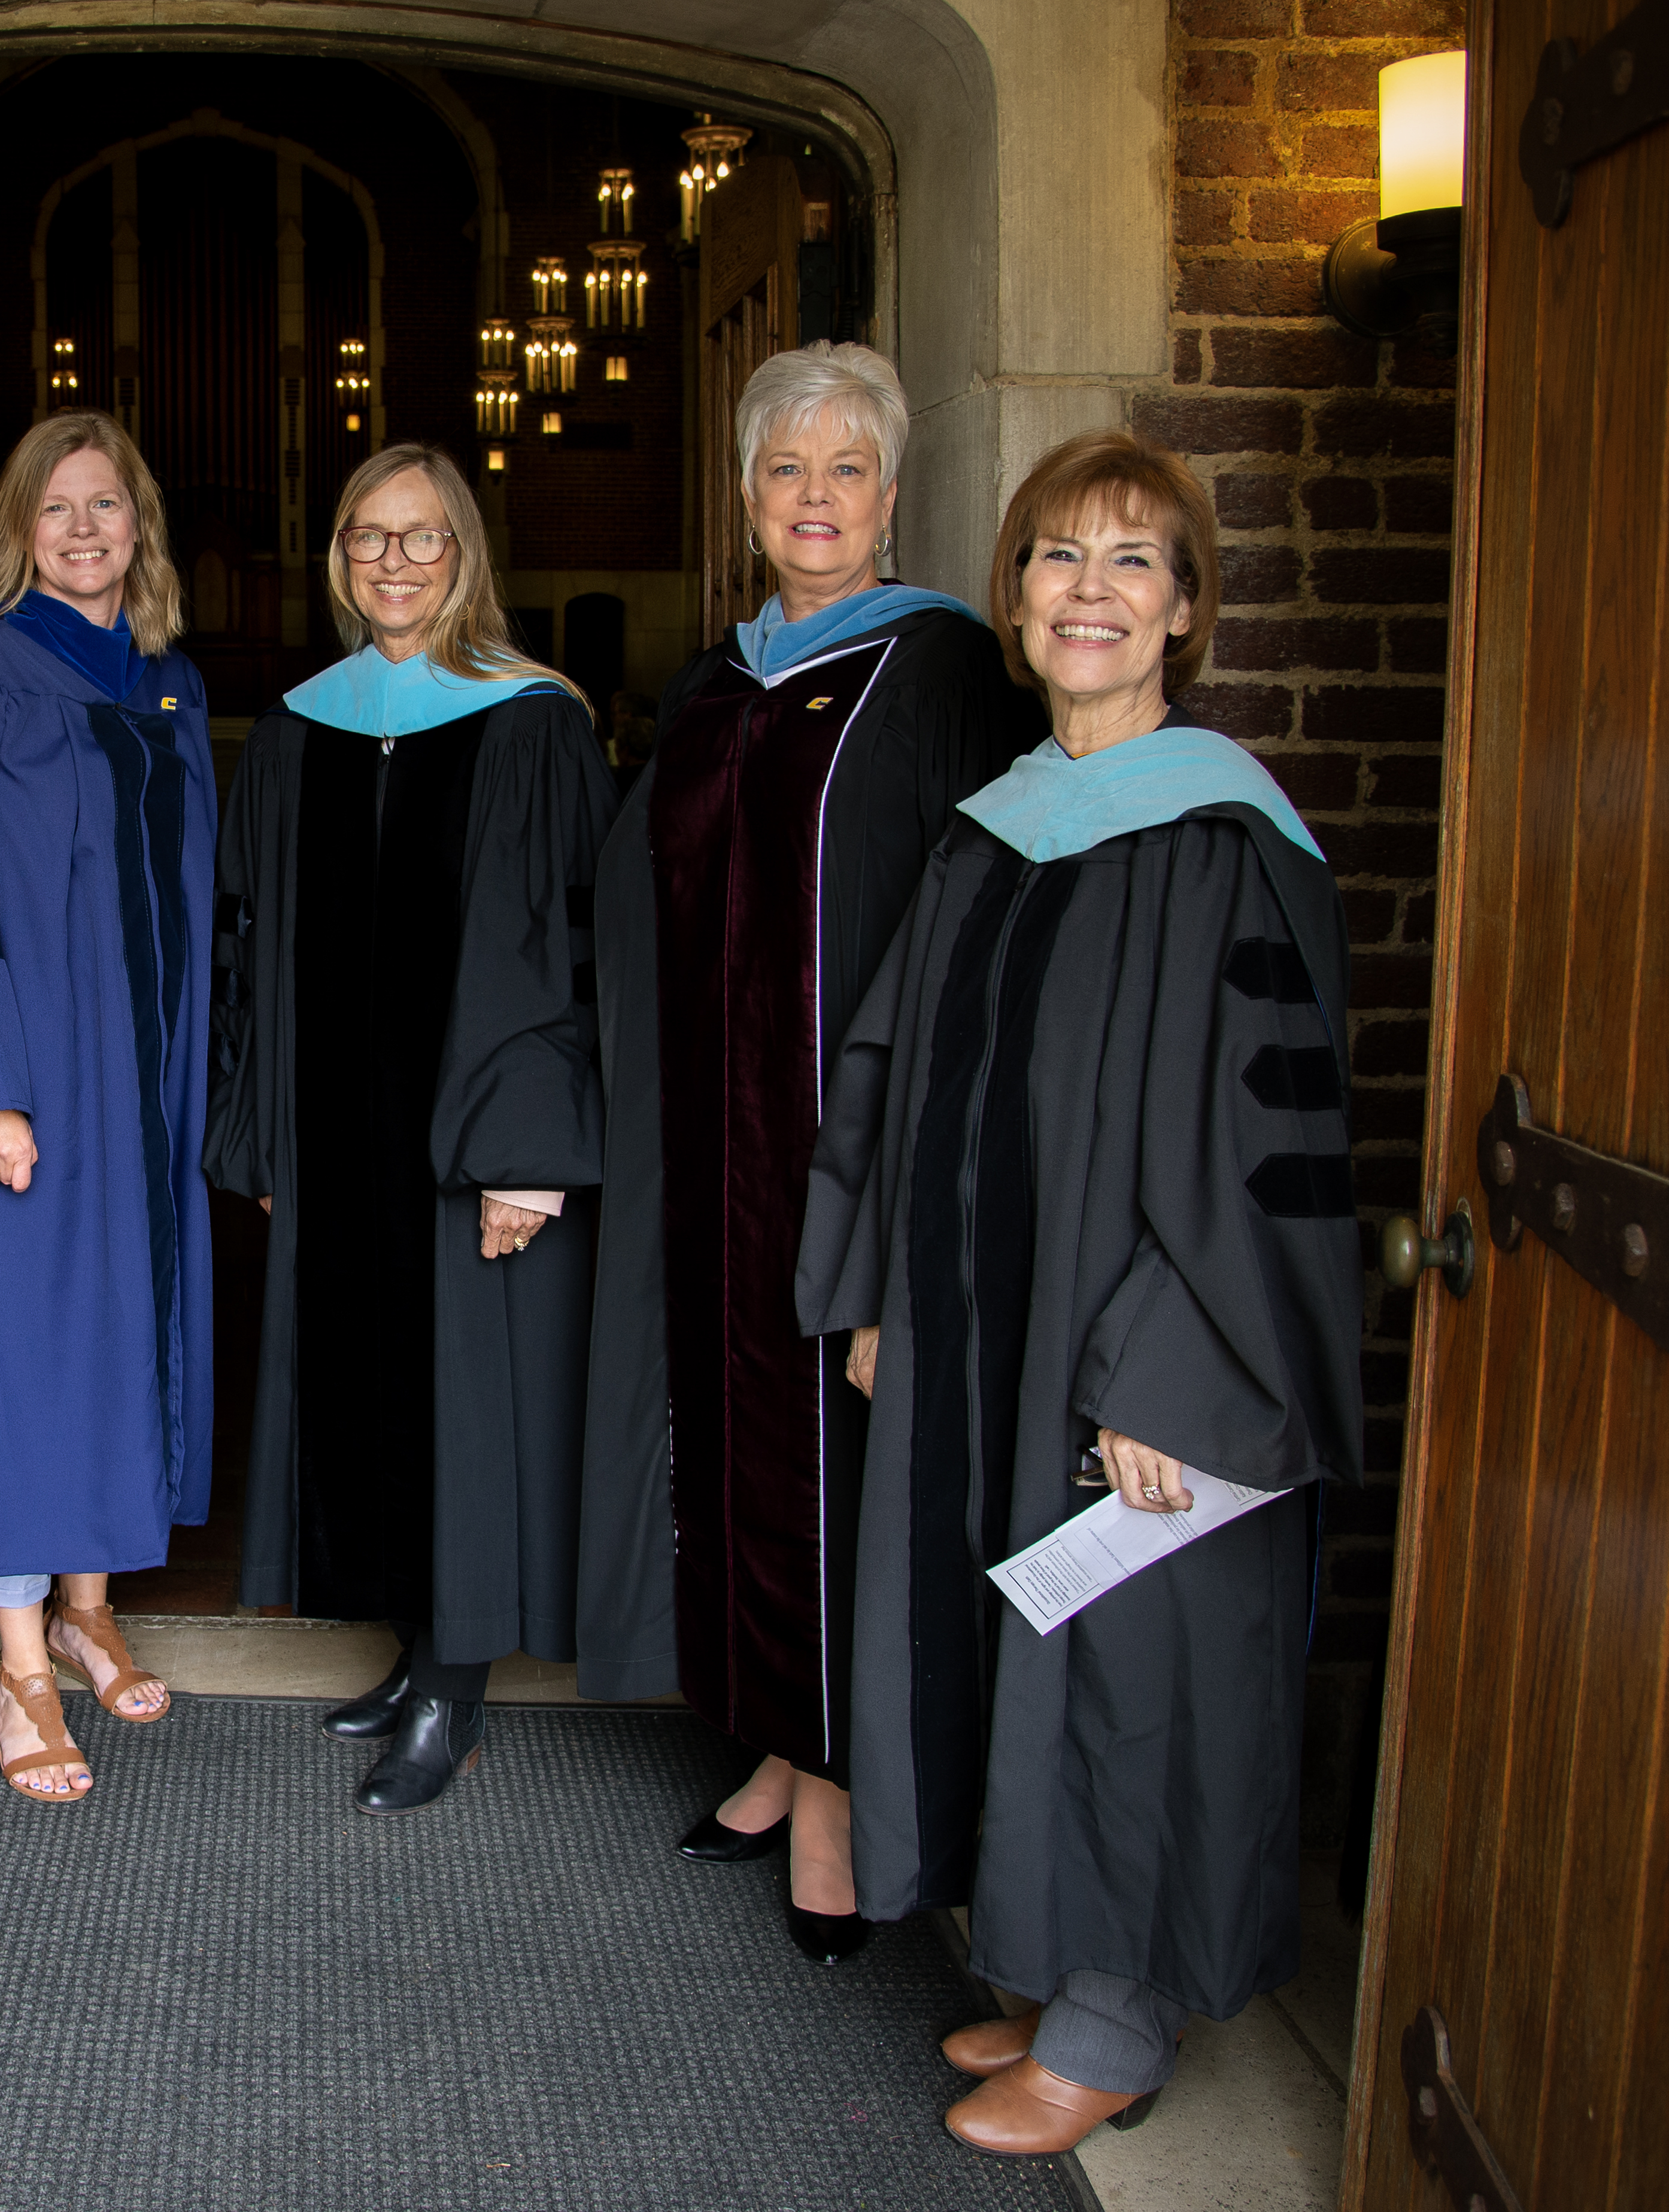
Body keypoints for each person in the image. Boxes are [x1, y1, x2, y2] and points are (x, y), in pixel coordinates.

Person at [796, 429, 1360, 2152]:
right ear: (1015, 598)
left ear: (1185, 610)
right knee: (1004, 1646)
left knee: (1131, 1665)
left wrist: (1174, 1377)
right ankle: (1045, 1973)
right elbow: (894, 1079)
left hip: (1132, 1360)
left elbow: (1270, 1149)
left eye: (1132, 564)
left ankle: (1114, 2025)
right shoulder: (998, 830)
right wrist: (882, 1288)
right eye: (1057, 558)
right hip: (984, 1332)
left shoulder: (1222, 838)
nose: (1089, 594)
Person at [583, 342, 1040, 1959]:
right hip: (713, 1144)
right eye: (784, 469)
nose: (813, 498)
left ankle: (844, 1783)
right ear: (746, 495)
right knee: (727, 1437)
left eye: (845, 470)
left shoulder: (942, 675)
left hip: (855, 1142)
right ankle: (774, 1738)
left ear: (893, 496)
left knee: (837, 1456)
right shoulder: (720, 681)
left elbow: (976, 935)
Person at [207, 444, 615, 1813]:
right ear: (337, 557)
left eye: (422, 539)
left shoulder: (531, 722)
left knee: (463, 1393)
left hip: (467, 1134)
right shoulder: (298, 729)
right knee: (369, 1383)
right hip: (340, 1126)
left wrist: (530, 1148)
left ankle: (456, 1679)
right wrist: (263, 1129)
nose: (393, 562)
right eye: (367, 538)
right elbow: (252, 944)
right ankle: (407, 1641)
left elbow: (564, 946)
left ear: (464, 556)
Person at [0, 412, 214, 1802]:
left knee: (118, 1324)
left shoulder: (168, 683)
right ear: (15, 532)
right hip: (25, 1077)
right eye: (55, 510)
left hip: (142, 1075)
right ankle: (15, 1660)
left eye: (107, 507)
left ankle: (85, 1606)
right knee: (18, 1341)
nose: (83, 531)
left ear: (139, 527)